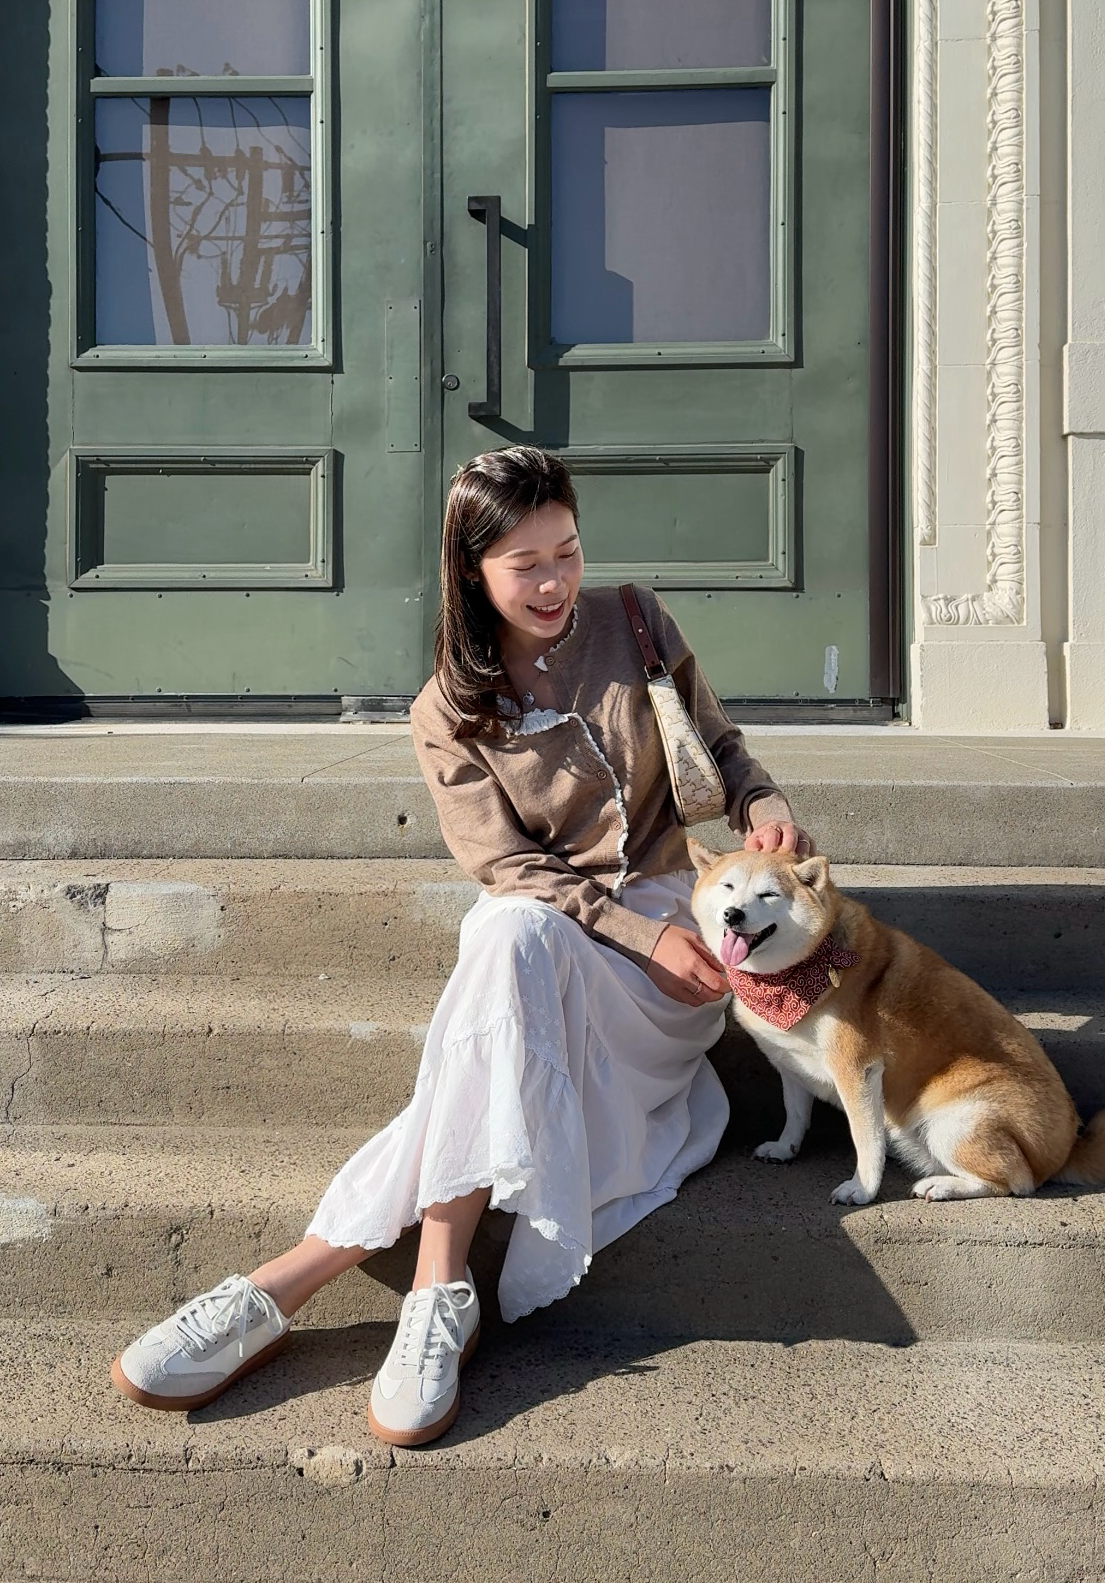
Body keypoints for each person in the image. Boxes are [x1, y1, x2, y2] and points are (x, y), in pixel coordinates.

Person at [111, 446, 810, 1446]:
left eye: (566, 550)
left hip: (673, 952)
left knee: (500, 958)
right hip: (577, 935)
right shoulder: (447, 709)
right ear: (471, 570)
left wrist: (767, 812)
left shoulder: (636, 620)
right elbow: (510, 870)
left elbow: (725, 753)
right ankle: (438, 1286)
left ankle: (283, 1285)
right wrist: (629, 932)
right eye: (526, 563)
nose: (555, 580)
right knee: (509, 932)